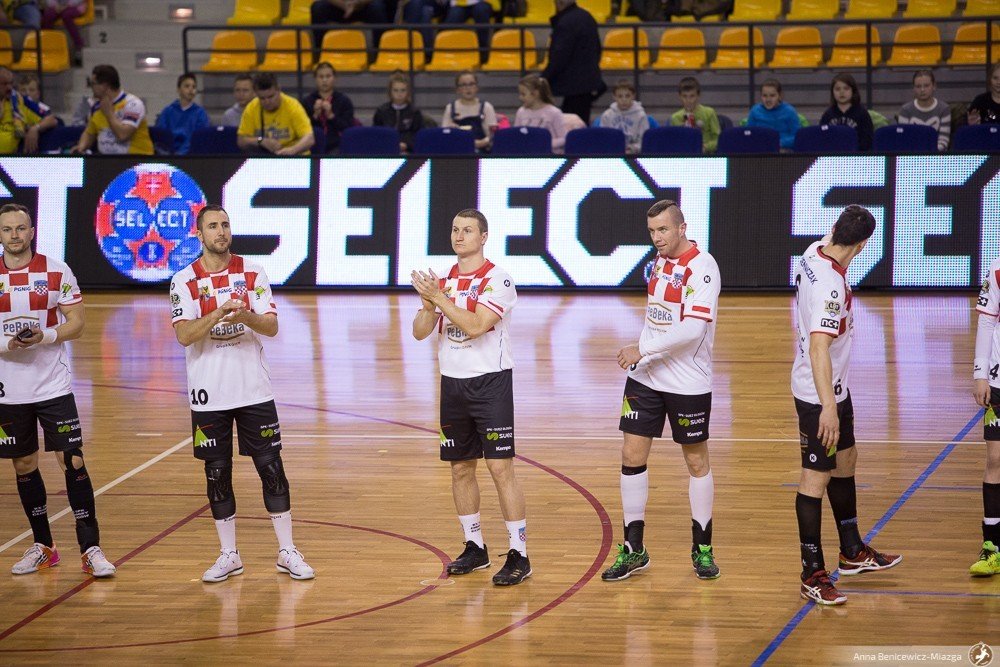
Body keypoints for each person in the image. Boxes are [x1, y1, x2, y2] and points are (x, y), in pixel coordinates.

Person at [170, 204, 315, 583]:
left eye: (225, 225)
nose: (221, 231)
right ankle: (229, 554)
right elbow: (184, 335)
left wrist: (245, 315)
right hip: (208, 393)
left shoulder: (252, 272)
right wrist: (218, 313)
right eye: (212, 226)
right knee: (217, 473)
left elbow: (270, 326)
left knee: (271, 467)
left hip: (253, 390)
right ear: (198, 234)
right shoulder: (183, 280)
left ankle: (287, 551)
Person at [601, 199, 722, 582]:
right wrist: (645, 353)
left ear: (682, 228)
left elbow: (692, 329)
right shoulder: (658, 262)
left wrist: (642, 349)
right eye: (652, 231)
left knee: (696, 462)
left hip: (687, 381)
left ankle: (703, 549)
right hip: (646, 377)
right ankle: (634, 549)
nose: (657, 237)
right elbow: (657, 317)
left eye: (664, 230)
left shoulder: (703, 268)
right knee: (631, 454)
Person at [410, 208, 532, 587]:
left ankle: (519, 553)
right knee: (460, 468)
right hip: (453, 385)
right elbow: (419, 332)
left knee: (500, 468)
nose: (459, 236)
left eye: (467, 230)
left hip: (490, 384)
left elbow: (478, 326)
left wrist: (440, 298)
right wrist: (428, 305)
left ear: (484, 237)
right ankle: (475, 545)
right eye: (454, 229)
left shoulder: (499, 280)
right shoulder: (443, 281)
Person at [791, 205, 901, 605]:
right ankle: (812, 573)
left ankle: (852, 551)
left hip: (836, 388)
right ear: (864, 245)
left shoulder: (813, 250)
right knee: (815, 478)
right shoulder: (831, 289)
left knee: (846, 459)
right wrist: (827, 408)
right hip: (817, 394)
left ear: (834, 228)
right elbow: (819, 347)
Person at [0, 203, 116, 579]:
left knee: (73, 461)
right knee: (24, 465)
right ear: (0, 234)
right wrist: (8, 345)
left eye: (21, 228)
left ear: (32, 231)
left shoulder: (55, 270)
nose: (15, 235)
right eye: (7, 229)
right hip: (9, 392)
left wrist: (46, 335)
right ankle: (44, 546)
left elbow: (77, 322)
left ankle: (91, 548)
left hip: (53, 386)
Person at [970, 257, 1000, 577]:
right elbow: (987, 322)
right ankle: (992, 546)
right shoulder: (997, 268)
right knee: (996, 459)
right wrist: (980, 374)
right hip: (998, 381)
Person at [540, 0, 604, 125]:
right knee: (581, 123)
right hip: (586, 81)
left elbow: (559, 56)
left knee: (570, 126)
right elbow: (598, 49)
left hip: (571, 84)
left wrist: (544, 78)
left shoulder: (565, 23)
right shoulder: (586, 16)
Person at [71, 64, 153, 155]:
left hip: (136, 159)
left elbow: (123, 135)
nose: (91, 87)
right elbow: (89, 133)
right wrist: (81, 147)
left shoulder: (133, 104)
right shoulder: (96, 107)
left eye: (93, 84)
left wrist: (109, 114)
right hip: (108, 160)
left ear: (105, 86)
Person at [236, 72, 314, 156]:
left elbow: (309, 139)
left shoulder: (293, 106)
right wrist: (260, 141)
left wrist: (292, 150)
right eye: (262, 98)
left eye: (271, 97)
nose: (267, 102)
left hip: (295, 157)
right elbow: (241, 141)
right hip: (266, 158)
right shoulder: (252, 108)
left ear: (278, 90)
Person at [300, 61, 355, 154]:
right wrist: (315, 116)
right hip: (311, 145)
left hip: (337, 145)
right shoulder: (307, 101)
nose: (324, 80)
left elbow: (348, 128)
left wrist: (331, 116)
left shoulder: (344, 101)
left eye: (328, 76)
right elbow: (302, 129)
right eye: (321, 77)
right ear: (315, 79)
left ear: (334, 78)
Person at [0, 66, 56, 154]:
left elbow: (52, 119)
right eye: (4, 84)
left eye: (11, 83)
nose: (9, 87)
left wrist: (35, 128)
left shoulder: (19, 101)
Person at [155, 72, 211, 155]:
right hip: (169, 156)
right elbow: (161, 137)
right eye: (187, 86)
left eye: (194, 87)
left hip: (191, 156)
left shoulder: (201, 113)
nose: (191, 89)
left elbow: (200, 138)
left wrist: (182, 154)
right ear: (178, 89)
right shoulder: (167, 112)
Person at [441, 70, 497, 152]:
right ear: (457, 89)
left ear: (477, 87)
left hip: (482, 152)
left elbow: (492, 136)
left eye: (471, 84)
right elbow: (445, 134)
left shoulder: (487, 107)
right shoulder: (450, 108)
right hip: (457, 152)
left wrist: (478, 143)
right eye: (463, 85)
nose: (468, 88)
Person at [897, 70, 950, 152]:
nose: (922, 90)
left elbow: (944, 141)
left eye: (926, 86)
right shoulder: (905, 110)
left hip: (936, 156)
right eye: (918, 86)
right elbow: (903, 140)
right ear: (914, 88)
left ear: (934, 86)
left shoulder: (944, 109)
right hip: (912, 156)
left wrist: (929, 154)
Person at [372, 71, 425, 154]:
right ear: (390, 91)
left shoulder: (415, 112)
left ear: (408, 92)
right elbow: (376, 134)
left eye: (403, 90)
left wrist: (406, 144)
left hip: (409, 153)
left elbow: (418, 135)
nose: (399, 94)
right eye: (395, 90)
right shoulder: (381, 111)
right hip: (386, 152)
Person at [820, 73, 873, 152]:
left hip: (857, 156)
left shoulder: (862, 114)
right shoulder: (827, 115)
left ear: (853, 91)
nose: (842, 92)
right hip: (832, 156)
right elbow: (822, 139)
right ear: (832, 92)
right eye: (837, 89)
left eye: (846, 88)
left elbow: (867, 141)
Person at [310, 0, 389, 53]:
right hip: (338, 5)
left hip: (362, 5)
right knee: (318, 8)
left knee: (377, 8)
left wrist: (358, 3)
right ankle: (319, 51)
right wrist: (344, 5)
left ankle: (380, 50)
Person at [513, 74, 565, 154]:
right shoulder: (521, 112)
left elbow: (564, 138)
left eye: (523, 94)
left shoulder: (554, 112)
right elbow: (516, 135)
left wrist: (544, 144)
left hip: (550, 156)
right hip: (527, 155)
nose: (520, 97)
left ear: (535, 94)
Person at [745, 78, 800, 151]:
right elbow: (748, 134)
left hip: (783, 150)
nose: (768, 99)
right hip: (760, 150)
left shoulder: (789, 111)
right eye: (764, 96)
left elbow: (798, 137)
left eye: (772, 95)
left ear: (780, 96)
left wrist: (778, 143)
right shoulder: (755, 110)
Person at [670, 77, 720, 154]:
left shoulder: (709, 113)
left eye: (692, 96)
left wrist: (706, 147)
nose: (688, 100)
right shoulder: (675, 118)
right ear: (679, 96)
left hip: (707, 156)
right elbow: (673, 142)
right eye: (684, 96)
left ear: (698, 96)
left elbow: (719, 139)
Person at [599, 79, 649, 155]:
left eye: (627, 96)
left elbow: (644, 140)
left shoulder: (641, 116)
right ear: (614, 97)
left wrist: (632, 149)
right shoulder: (607, 115)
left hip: (634, 155)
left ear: (633, 96)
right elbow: (603, 139)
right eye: (620, 96)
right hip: (612, 154)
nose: (624, 100)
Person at [968, 61, 1000, 126]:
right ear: (989, 79)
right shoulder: (980, 101)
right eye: (995, 78)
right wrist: (972, 125)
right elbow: (969, 127)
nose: (998, 82)